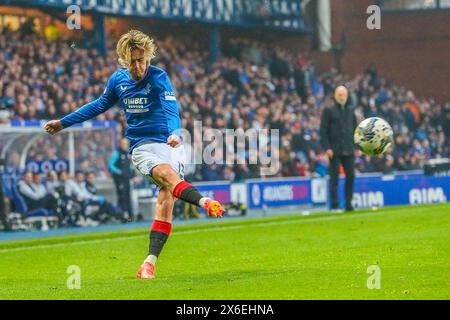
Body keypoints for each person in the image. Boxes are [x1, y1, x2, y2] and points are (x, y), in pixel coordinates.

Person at [44, 29, 225, 279]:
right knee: (166, 175)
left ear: (148, 58)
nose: (138, 66)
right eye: (133, 61)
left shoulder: (159, 77)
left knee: (166, 200)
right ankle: (205, 201)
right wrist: (64, 122)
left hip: (169, 142)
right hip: (142, 146)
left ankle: (149, 263)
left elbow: (172, 108)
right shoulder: (118, 81)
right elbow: (98, 105)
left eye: (141, 60)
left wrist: (174, 132)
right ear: (124, 60)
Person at [320, 85, 357, 212]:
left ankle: (348, 203)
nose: (342, 97)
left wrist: (356, 146)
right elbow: (323, 131)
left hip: (348, 148)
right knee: (334, 177)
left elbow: (355, 129)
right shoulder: (329, 111)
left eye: (344, 95)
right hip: (334, 149)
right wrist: (327, 147)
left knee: (351, 176)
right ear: (335, 96)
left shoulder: (351, 110)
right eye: (340, 95)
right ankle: (335, 205)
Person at [108, 137, 134, 221]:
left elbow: (130, 166)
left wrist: (132, 174)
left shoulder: (127, 153)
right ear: (120, 144)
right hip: (119, 180)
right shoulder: (117, 153)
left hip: (127, 179)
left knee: (127, 196)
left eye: (126, 144)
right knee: (121, 197)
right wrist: (119, 172)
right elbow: (110, 165)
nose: (124, 145)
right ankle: (122, 215)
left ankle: (130, 215)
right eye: (123, 143)